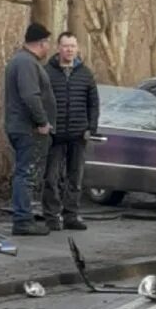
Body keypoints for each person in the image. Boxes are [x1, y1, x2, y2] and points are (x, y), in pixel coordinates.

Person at [3, 22, 56, 236]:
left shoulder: (20, 61)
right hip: (27, 128)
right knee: (26, 173)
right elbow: (30, 96)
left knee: (23, 172)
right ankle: (23, 219)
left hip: (19, 125)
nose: (48, 49)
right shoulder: (26, 64)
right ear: (41, 43)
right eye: (47, 44)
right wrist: (42, 122)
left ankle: (24, 216)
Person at [42, 32, 99, 231]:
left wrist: (91, 127)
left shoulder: (85, 73)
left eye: (73, 46)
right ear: (58, 48)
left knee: (75, 178)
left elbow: (93, 103)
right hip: (54, 134)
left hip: (78, 133)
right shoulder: (46, 72)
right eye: (66, 46)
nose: (69, 50)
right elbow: (39, 100)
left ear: (77, 48)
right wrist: (43, 124)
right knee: (51, 177)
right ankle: (51, 216)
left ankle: (71, 215)